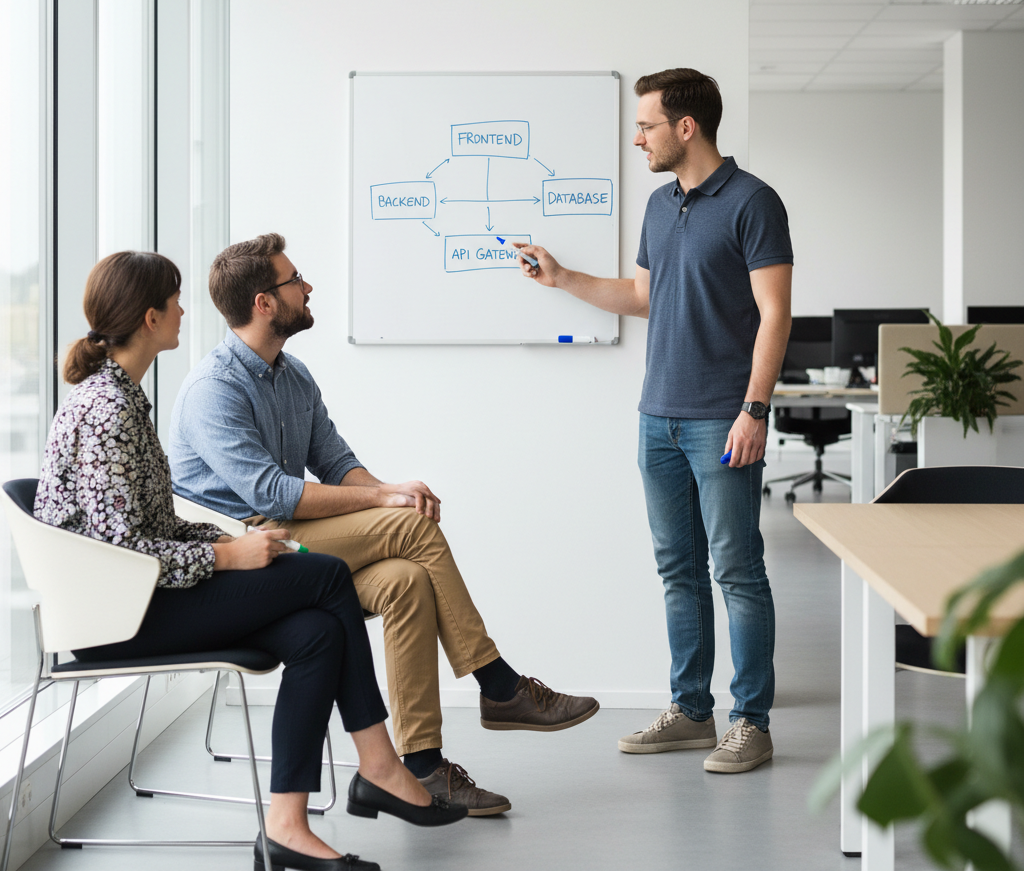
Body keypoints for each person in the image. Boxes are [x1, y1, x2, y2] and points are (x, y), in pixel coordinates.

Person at [34, 251, 467, 871]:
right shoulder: (108, 411)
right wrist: (227, 554)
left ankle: (287, 825)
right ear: (151, 318)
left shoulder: (124, 397)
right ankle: (378, 764)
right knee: (323, 574)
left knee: (317, 631)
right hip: (119, 616)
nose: (186, 310)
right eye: (175, 300)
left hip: (145, 596)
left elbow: (150, 525)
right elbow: (122, 552)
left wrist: (227, 543)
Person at [168, 234, 599, 815]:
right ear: (264, 303)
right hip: (241, 557)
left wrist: (388, 489)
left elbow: (338, 464)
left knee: (406, 580)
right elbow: (268, 492)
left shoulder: (292, 377)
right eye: (296, 280)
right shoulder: (213, 388)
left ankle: (421, 766)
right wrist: (386, 502)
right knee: (413, 528)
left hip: (290, 539)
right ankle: (500, 686)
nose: (308, 286)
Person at [515, 68, 792, 774]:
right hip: (657, 418)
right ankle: (691, 712)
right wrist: (563, 278)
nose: (637, 136)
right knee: (679, 569)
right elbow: (642, 297)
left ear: (686, 127)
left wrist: (754, 408)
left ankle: (751, 722)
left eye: (647, 125)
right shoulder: (660, 204)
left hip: (722, 421)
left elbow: (775, 314)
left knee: (736, 569)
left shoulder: (754, 203)